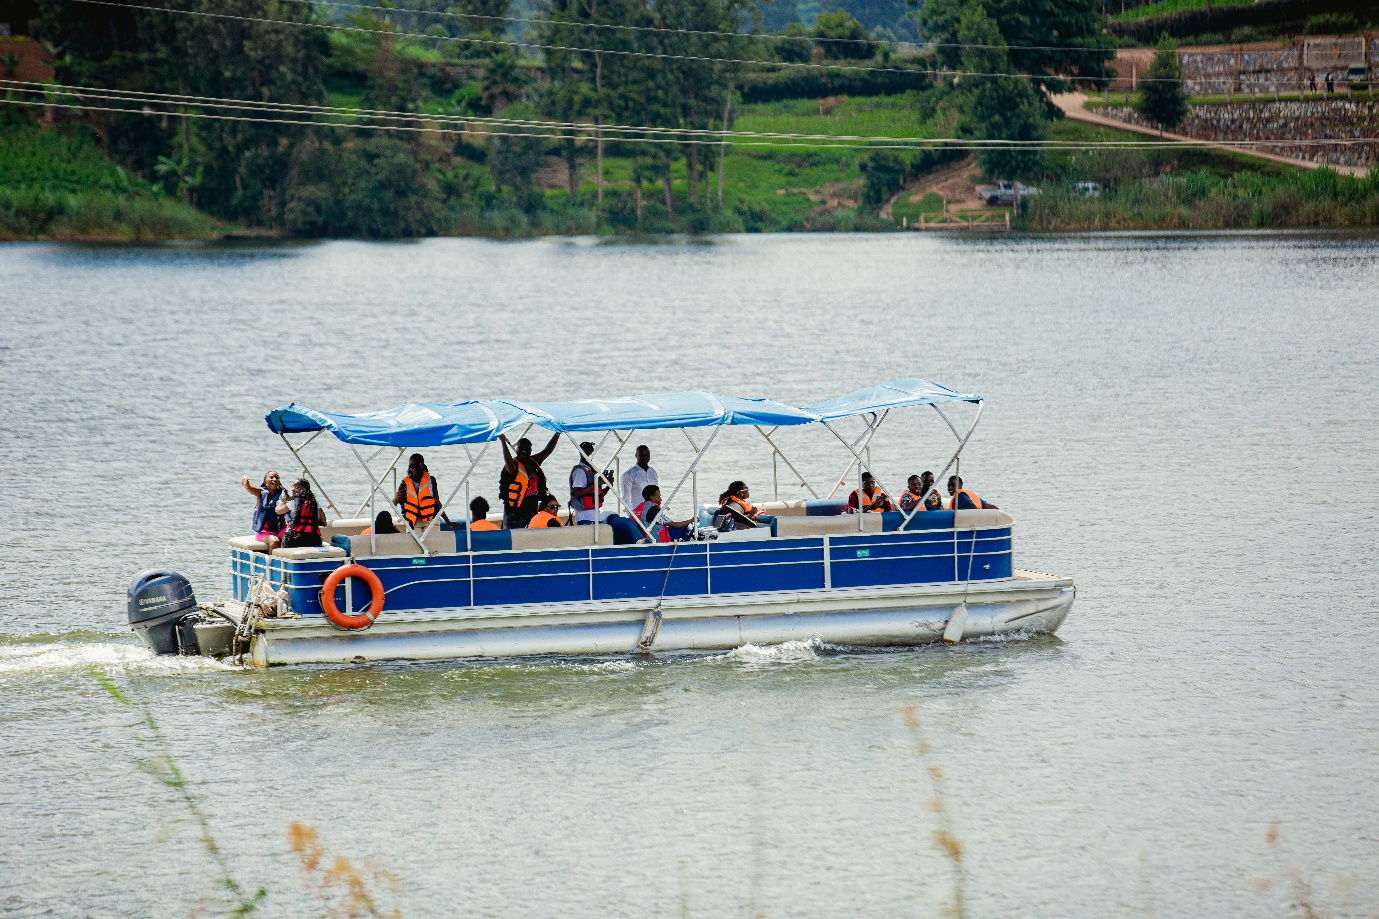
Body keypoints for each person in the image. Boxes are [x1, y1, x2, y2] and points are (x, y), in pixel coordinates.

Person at [500, 433, 559, 528]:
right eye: (521, 448)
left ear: (530, 450)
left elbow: (548, 450)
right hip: (515, 515)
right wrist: (503, 442)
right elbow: (508, 462)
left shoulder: (533, 462)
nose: (524, 450)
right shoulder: (513, 466)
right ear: (517, 449)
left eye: (527, 448)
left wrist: (557, 433)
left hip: (532, 511)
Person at [394, 453, 451, 532]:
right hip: (413, 522)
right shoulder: (405, 483)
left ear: (422, 465)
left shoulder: (431, 480)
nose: (414, 469)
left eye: (416, 465)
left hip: (430, 519)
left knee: (431, 541)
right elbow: (394, 503)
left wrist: (448, 522)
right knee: (415, 542)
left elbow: (437, 502)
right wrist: (396, 499)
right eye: (411, 466)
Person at [241, 470, 286, 552]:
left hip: (280, 529)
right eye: (271, 477)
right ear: (265, 481)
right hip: (264, 531)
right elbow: (249, 488)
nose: (275, 479)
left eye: (277, 478)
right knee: (275, 541)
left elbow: (292, 504)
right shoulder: (260, 492)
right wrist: (245, 481)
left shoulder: (283, 495)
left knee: (291, 538)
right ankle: (272, 564)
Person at [569, 441, 612, 525]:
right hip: (585, 517)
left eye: (591, 452)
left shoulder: (591, 470)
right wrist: (598, 482)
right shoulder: (580, 471)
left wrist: (608, 485)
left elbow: (597, 495)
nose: (589, 454)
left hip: (596, 516)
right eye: (587, 452)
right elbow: (578, 493)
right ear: (581, 453)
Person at [276, 478, 326, 549]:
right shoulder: (315, 503)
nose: (293, 489)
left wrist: (280, 503)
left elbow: (278, 510)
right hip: (313, 539)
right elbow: (324, 522)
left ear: (304, 489)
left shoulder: (293, 502)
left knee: (283, 538)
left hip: (295, 540)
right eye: (292, 487)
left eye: (297, 487)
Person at [620, 445, 658, 515]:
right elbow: (625, 498)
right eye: (641, 455)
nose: (645, 457)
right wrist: (632, 515)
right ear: (636, 455)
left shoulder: (653, 472)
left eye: (647, 455)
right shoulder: (628, 474)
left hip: (653, 512)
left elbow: (656, 494)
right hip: (638, 513)